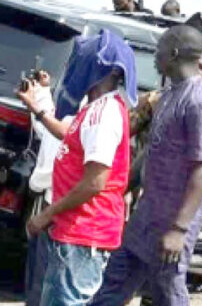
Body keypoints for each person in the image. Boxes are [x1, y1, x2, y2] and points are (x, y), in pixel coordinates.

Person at [92, 25, 202, 306]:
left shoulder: (200, 102)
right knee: (114, 282)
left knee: (167, 291)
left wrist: (179, 229)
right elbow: (153, 151)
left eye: (159, 49)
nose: (155, 55)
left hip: (172, 222)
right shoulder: (168, 95)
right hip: (147, 215)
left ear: (174, 53)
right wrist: (118, 188)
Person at [20, 29, 137, 306]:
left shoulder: (103, 113)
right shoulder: (95, 108)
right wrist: (37, 109)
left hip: (84, 234)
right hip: (76, 232)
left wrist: (46, 214)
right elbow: (67, 132)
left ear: (99, 68)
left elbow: (95, 182)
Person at [16, 70, 60, 306]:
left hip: (58, 207)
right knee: (36, 273)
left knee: (45, 279)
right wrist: (41, 92)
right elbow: (46, 127)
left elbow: (57, 130)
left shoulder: (82, 112)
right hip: (45, 201)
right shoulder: (66, 107)